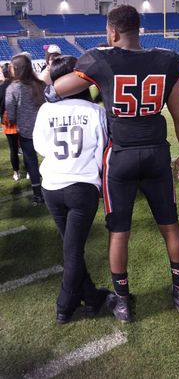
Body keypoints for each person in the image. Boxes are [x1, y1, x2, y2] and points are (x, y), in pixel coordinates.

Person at [45, 4, 179, 322]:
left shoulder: (102, 58)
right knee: (170, 226)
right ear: (138, 30)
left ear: (112, 31)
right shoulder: (167, 60)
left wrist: (51, 80)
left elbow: (53, 91)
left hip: (122, 155)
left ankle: (123, 302)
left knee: (119, 232)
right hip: (156, 152)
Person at [33, 55, 112, 324]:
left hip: (52, 186)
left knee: (72, 246)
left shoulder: (45, 110)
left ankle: (91, 297)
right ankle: (65, 305)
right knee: (73, 249)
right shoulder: (95, 112)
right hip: (82, 186)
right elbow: (103, 149)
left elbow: (41, 148)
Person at [5, 54, 45, 205]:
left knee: (31, 163)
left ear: (15, 69)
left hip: (27, 132)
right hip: (45, 129)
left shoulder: (13, 88)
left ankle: (38, 195)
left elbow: (11, 115)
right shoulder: (40, 84)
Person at [0, 63, 21, 181]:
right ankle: (29, 172)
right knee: (25, 147)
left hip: (7, 120)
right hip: (20, 119)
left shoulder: (1, 87)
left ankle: (16, 173)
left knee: (13, 149)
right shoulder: (18, 85)